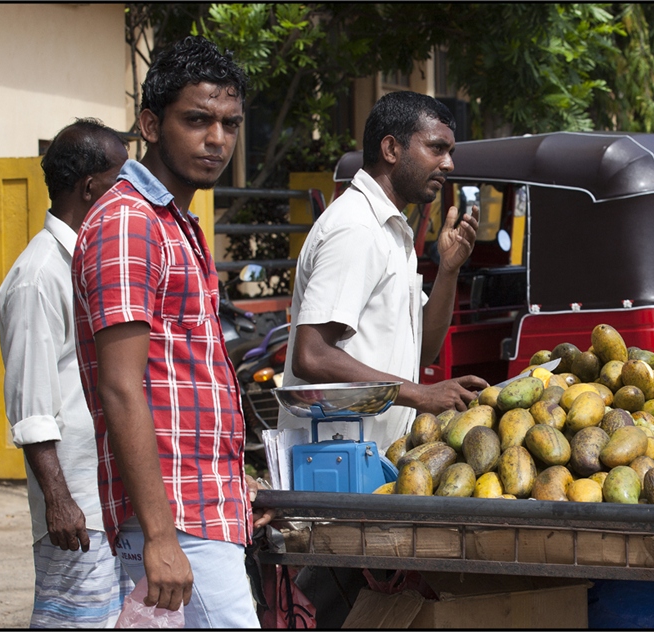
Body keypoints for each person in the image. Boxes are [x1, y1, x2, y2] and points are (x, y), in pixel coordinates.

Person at [71, 36, 271, 628]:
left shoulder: (174, 222)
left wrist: (235, 484)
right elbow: (120, 387)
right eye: (197, 120)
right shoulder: (129, 222)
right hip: (175, 519)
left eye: (230, 124)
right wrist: (160, 537)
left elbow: (185, 378)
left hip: (201, 507)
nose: (217, 140)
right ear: (151, 124)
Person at [278, 90, 489, 452]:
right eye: (437, 148)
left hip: (370, 457)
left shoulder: (389, 229)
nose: (448, 164)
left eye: (450, 152)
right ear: (391, 149)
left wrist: (448, 270)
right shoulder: (356, 226)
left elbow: (423, 353)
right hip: (333, 461)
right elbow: (311, 355)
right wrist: (421, 395)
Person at [0, 118, 132, 628]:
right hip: (79, 511)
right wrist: (59, 501)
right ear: (91, 188)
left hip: (112, 498)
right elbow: (31, 408)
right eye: (120, 182)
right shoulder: (37, 276)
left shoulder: (89, 261)